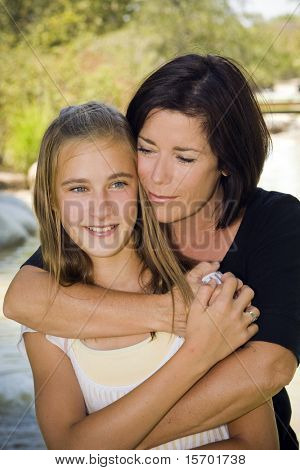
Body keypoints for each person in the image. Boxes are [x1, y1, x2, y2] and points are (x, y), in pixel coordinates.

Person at [4, 54, 300, 449]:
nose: (157, 177)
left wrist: (109, 446)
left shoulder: (276, 223)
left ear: (225, 162)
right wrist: (173, 315)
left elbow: (270, 367)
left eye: (184, 158)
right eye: (145, 149)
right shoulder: (117, 218)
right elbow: (24, 297)